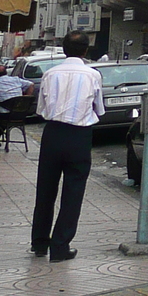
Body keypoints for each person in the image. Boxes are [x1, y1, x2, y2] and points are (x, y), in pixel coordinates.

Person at [31, 30, 104, 262]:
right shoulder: (93, 75)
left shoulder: (50, 74)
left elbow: (41, 110)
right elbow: (99, 109)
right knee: (73, 193)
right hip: (79, 136)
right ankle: (60, 246)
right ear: (86, 50)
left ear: (64, 50)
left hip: (52, 134)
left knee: (45, 190)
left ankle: (40, 242)